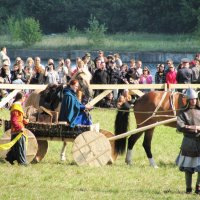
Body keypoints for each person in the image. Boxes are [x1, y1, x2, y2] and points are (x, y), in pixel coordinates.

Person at [176, 88, 200, 194]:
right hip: (188, 142)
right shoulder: (183, 112)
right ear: (188, 100)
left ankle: (198, 188)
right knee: (188, 167)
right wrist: (196, 128)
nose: (193, 101)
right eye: (191, 99)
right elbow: (180, 126)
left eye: (195, 99)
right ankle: (188, 189)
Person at [5, 92, 29, 165]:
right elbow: (14, 120)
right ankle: (23, 162)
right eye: (24, 98)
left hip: (17, 129)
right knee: (21, 146)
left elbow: (19, 118)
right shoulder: (16, 107)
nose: (25, 99)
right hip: (17, 130)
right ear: (22, 98)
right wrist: (20, 127)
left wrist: (25, 121)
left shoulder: (18, 106)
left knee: (16, 147)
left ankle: (10, 157)